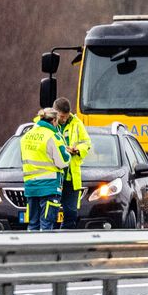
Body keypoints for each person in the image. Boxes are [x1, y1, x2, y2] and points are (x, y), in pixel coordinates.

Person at [20, 107, 71, 231]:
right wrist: (68, 152)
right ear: (54, 120)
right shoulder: (53, 137)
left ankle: (31, 249)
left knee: (33, 224)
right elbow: (63, 162)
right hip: (49, 187)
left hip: (31, 186)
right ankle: (44, 250)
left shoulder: (26, 135)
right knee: (46, 225)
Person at [54, 98, 91, 230]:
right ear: (55, 113)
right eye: (62, 117)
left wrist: (77, 150)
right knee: (50, 212)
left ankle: (65, 239)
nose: (64, 119)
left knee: (71, 212)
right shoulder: (48, 124)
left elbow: (87, 143)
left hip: (71, 175)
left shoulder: (77, 123)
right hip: (54, 176)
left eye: (66, 116)